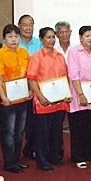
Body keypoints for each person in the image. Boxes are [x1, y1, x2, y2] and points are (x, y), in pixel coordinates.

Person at [27, 27, 71, 172]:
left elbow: (64, 78)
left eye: (53, 37)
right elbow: (32, 79)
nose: (51, 40)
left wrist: (67, 94)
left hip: (59, 103)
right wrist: (40, 96)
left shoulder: (60, 56)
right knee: (42, 133)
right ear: (41, 39)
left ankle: (54, 157)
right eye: (48, 37)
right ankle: (42, 160)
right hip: (43, 102)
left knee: (56, 132)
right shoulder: (36, 57)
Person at [67, 26, 91, 168]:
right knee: (79, 129)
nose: (90, 38)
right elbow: (74, 75)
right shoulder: (74, 52)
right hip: (80, 97)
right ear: (80, 37)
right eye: (87, 36)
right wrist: (81, 94)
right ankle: (79, 157)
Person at [0, 24, 31, 174]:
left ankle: (16, 159)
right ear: (4, 38)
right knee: (8, 132)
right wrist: (3, 97)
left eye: (16, 36)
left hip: (22, 99)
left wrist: (29, 90)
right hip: (8, 100)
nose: (13, 39)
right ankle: (9, 162)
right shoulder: (0, 55)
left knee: (19, 131)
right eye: (10, 36)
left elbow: (29, 75)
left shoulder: (24, 52)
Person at [17, 15, 42, 162]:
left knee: (33, 123)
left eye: (31, 25)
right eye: (25, 25)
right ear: (19, 26)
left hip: (34, 87)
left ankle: (31, 149)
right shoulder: (12, 42)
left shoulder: (39, 43)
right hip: (17, 89)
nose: (28, 28)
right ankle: (16, 153)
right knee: (19, 124)